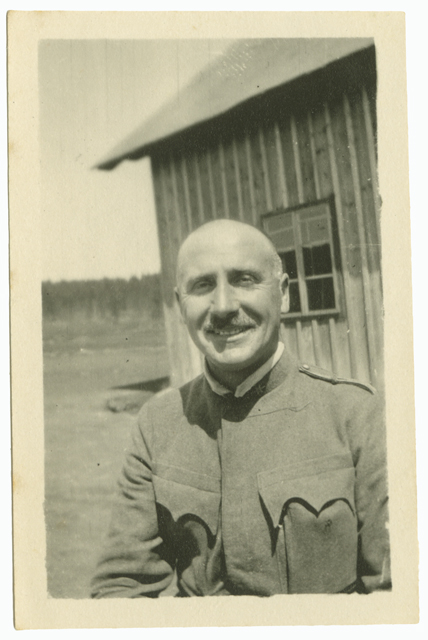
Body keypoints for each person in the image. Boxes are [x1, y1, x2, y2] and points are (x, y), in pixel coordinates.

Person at [91, 219, 391, 597]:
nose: (223, 306)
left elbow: (396, 594)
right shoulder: (158, 423)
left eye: (244, 280)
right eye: (203, 285)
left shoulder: (357, 414)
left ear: (283, 294)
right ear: (180, 305)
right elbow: (120, 587)